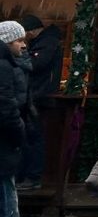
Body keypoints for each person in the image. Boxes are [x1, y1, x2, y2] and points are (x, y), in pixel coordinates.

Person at [16, 14, 61, 192]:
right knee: (31, 137)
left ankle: (32, 177)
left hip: (38, 95)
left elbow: (36, 64)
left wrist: (21, 55)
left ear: (33, 31)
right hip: (36, 94)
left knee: (33, 137)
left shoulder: (47, 43)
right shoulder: (48, 41)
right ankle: (28, 176)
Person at [0, 21, 30, 217]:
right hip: (4, 147)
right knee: (8, 207)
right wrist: (20, 132)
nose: (23, 44)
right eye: (19, 40)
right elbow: (7, 108)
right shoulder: (4, 66)